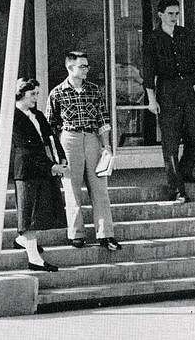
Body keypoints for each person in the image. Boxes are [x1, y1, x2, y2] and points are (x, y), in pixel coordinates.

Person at [46, 51, 122, 251]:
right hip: (69, 139)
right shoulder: (57, 93)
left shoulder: (94, 90)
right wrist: (55, 156)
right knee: (72, 188)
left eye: (87, 66)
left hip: (92, 139)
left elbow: (103, 120)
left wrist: (106, 146)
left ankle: (106, 234)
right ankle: (76, 234)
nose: (86, 69)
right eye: (82, 66)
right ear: (70, 68)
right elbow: (50, 126)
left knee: (99, 188)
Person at [143, 0, 195, 202]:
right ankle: (177, 188)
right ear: (161, 14)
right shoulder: (153, 39)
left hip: (189, 88)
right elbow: (148, 70)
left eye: (177, 13)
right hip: (167, 90)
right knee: (170, 141)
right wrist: (151, 99)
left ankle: (185, 169)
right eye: (170, 13)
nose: (174, 17)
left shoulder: (184, 34)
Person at [13, 78, 68, 272]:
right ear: (20, 94)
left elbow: (50, 137)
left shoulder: (37, 115)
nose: (36, 98)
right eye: (32, 94)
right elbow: (26, 149)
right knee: (28, 215)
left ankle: (22, 240)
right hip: (28, 170)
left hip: (43, 168)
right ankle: (34, 259)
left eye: (37, 93)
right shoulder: (13, 117)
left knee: (38, 213)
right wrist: (51, 166)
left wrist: (60, 158)